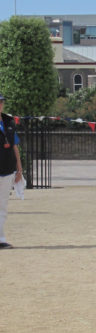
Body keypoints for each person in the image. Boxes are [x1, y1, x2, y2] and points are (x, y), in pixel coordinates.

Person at [0, 94, 22, 249]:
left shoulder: (8, 121)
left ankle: (0, 238)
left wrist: (19, 168)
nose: (0, 105)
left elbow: (14, 145)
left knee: (2, 206)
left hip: (7, 170)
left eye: (1, 102)